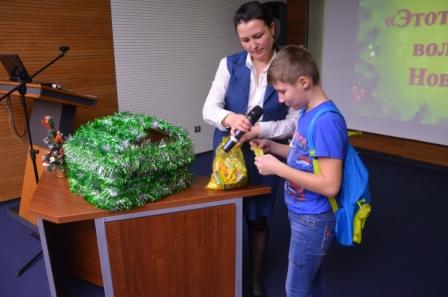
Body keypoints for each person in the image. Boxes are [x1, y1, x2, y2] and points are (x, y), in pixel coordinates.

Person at [202, 1, 298, 296]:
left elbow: (294, 123)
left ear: (272, 28)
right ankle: (224, 276)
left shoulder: (290, 66)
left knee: (257, 220)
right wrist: (229, 117)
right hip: (229, 151)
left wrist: (261, 129)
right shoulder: (228, 64)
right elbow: (209, 108)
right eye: (245, 39)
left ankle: (255, 279)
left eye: (258, 36)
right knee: (224, 219)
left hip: (265, 155)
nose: (253, 45)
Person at [251, 45, 348, 297]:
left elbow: (330, 185)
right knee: (312, 281)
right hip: (302, 214)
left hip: (313, 219)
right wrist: (273, 147)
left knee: (295, 289)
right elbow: (302, 157)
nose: (281, 99)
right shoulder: (306, 113)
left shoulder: (326, 121)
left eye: (283, 91)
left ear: (303, 82)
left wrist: (278, 170)